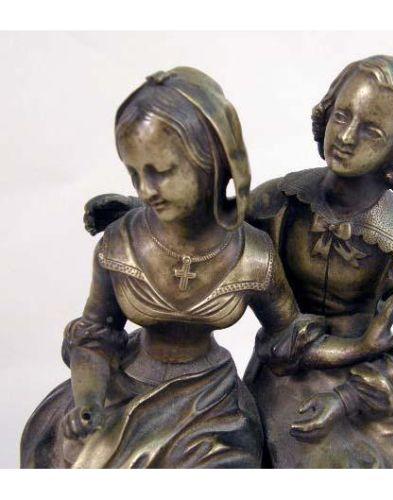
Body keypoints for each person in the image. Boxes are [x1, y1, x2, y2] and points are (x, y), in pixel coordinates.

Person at [75, 56, 393, 468]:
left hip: (376, 385)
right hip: (288, 371)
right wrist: (139, 213)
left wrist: (350, 397)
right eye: (341, 115)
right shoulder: (281, 201)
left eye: (372, 130)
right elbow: (214, 224)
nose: (347, 136)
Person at [22, 67, 314, 468]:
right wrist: (88, 401)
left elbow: (290, 339)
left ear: (211, 162)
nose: (146, 190)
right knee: (77, 458)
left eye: (161, 172)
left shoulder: (254, 254)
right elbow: (95, 336)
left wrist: (360, 354)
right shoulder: (120, 243)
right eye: (134, 173)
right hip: (123, 389)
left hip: (213, 407)